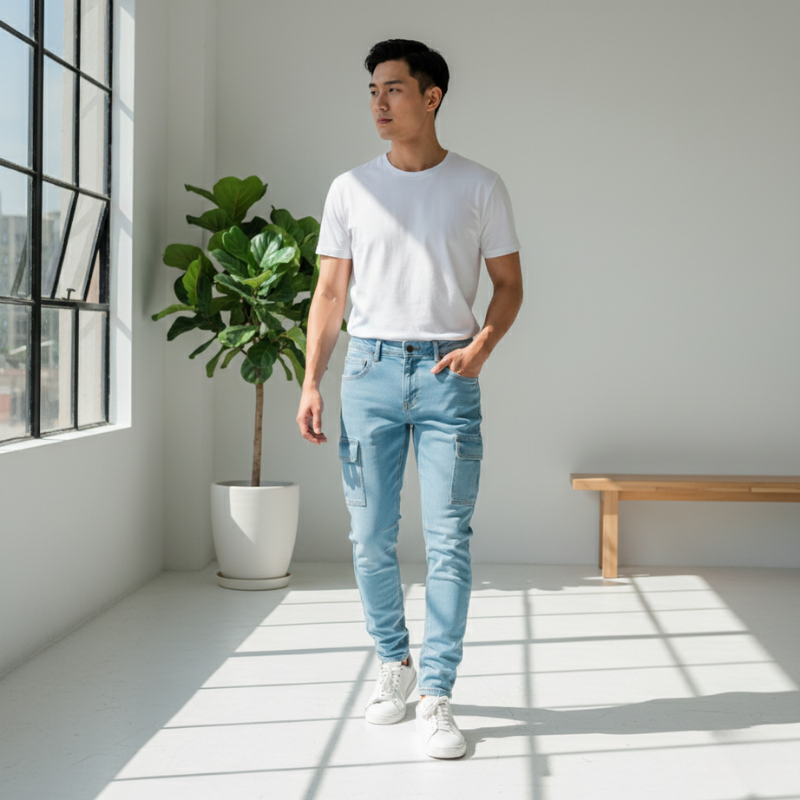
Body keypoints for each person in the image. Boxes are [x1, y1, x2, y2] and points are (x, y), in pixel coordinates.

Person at [296, 38, 523, 760]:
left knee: (449, 540)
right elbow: (331, 292)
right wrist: (311, 380)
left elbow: (510, 285)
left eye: (393, 89)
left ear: (432, 97)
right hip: (367, 372)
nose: (378, 103)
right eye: (372, 91)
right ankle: (395, 665)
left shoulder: (480, 186)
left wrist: (481, 348)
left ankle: (438, 695)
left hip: (447, 378)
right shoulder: (349, 189)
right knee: (370, 537)